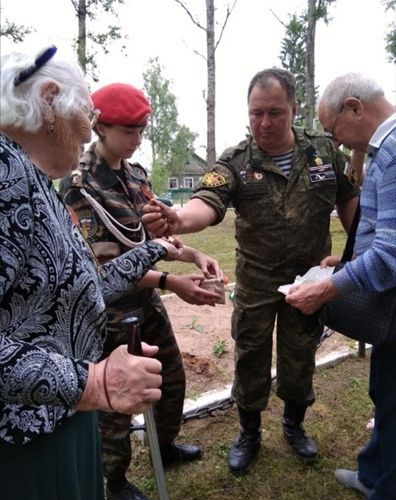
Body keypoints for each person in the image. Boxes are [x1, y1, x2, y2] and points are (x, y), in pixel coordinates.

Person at [142, 67, 361, 476]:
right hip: (258, 282)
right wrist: (176, 219)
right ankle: (249, 432)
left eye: (275, 112)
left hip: (308, 281)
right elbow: (206, 202)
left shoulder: (324, 152)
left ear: (294, 110)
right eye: (256, 112)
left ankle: (294, 425)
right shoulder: (236, 160)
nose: (264, 122)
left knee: (300, 357)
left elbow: (349, 201)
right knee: (250, 358)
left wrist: (358, 255)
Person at [0, 46, 184, 500]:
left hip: (59, 413)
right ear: (48, 101)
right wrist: (93, 380)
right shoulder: (5, 177)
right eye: (87, 114)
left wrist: (155, 250)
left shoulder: (31, 174)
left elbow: (75, 285)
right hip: (23, 436)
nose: (88, 130)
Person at [59, 82, 224, 500]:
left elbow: (158, 237)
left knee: (170, 377)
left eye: (142, 129)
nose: (138, 139)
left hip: (147, 302)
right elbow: (104, 266)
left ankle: (164, 446)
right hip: (112, 312)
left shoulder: (136, 174)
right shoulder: (80, 185)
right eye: (130, 131)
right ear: (102, 127)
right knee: (118, 403)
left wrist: (196, 253)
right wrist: (173, 283)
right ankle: (115, 479)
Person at [286, 73, 396, 500]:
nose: (334, 140)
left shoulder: (391, 154)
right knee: (385, 389)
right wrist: (347, 263)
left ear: (354, 107)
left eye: (334, 130)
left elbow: (391, 255)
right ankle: (373, 474)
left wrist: (328, 288)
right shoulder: (384, 150)